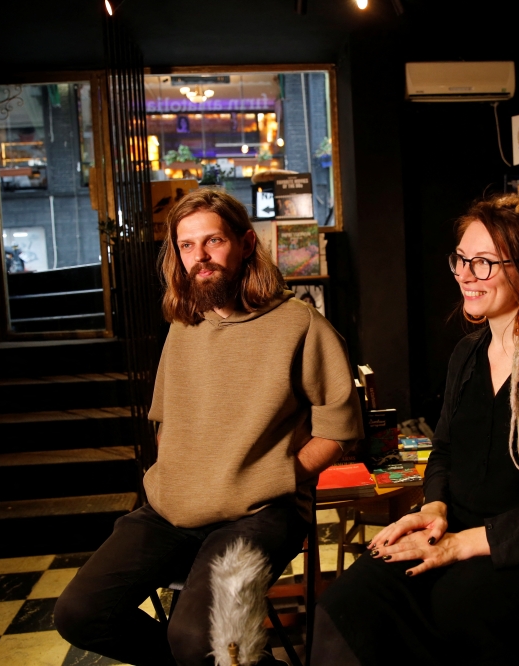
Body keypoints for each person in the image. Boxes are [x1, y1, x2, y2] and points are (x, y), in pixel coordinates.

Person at [55, 189, 363, 666]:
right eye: (187, 245)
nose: (200, 258)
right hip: (172, 509)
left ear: (243, 243)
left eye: (213, 241)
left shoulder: (301, 325)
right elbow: (166, 423)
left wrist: (274, 479)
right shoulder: (184, 327)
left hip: (260, 513)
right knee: (79, 613)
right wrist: (180, 476)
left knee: (196, 636)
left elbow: (338, 432)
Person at [311, 194, 519, 665]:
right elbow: (446, 451)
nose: (464, 275)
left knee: (437, 621)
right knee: (340, 608)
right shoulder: (467, 356)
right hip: (453, 534)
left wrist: (462, 545)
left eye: (483, 263)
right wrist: (433, 507)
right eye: (461, 259)